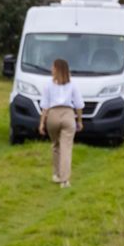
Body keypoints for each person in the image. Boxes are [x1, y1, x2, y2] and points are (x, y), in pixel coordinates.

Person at [40, 54, 80, 185]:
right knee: (66, 147)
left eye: (53, 67)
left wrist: (42, 123)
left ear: (57, 69)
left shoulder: (48, 85)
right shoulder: (73, 85)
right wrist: (79, 121)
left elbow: (45, 106)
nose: (51, 69)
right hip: (68, 114)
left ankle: (57, 174)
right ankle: (65, 179)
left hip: (53, 115)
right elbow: (79, 105)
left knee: (56, 145)